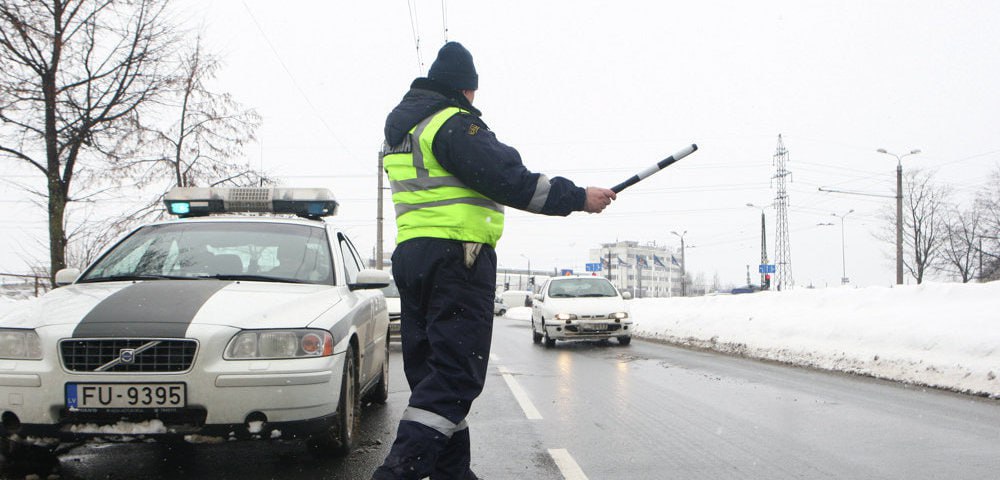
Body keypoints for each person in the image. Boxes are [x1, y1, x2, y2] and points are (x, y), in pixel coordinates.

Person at [373, 41, 616, 480]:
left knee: (434, 378)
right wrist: (579, 197)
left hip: (413, 257)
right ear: (465, 89)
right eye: (473, 93)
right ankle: (396, 474)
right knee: (454, 378)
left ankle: (453, 475)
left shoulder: (403, 128)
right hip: (458, 257)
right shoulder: (452, 124)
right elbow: (511, 179)